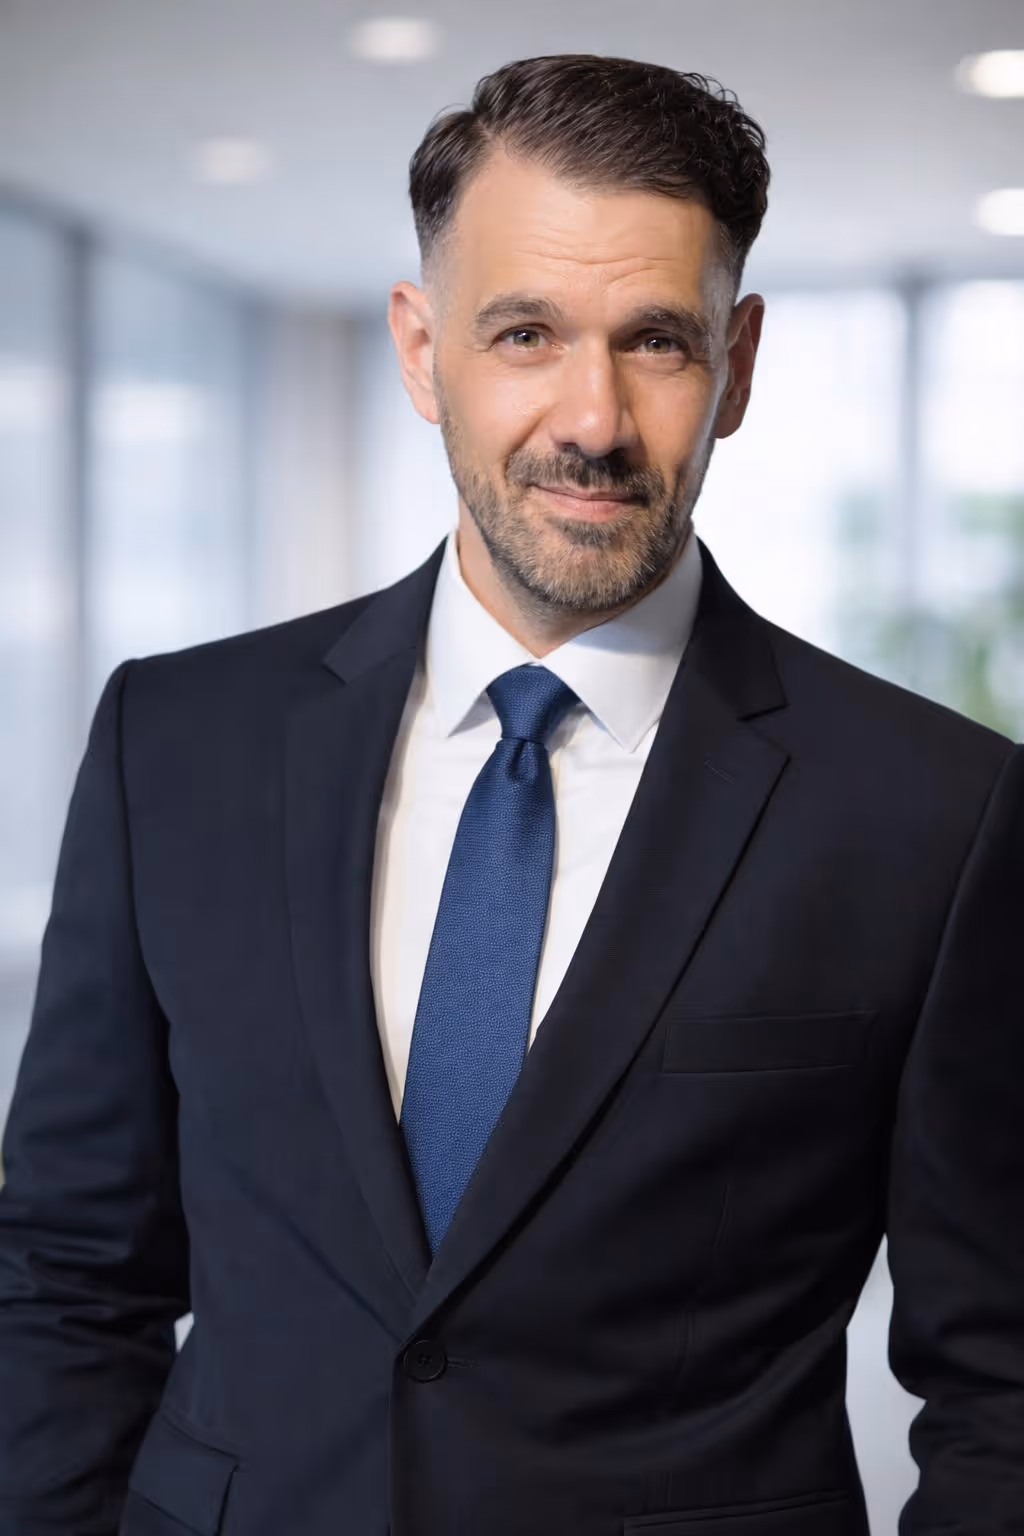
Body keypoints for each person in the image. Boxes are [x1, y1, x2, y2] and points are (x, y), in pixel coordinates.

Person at [0, 51, 1021, 1536]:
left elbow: (1002, 1379)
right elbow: (69, 1276)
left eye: (655, 342)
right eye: (526, 332)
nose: (593, 420)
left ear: (736, 366)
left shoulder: (936, 810)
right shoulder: (179, 742)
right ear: (423, 352)